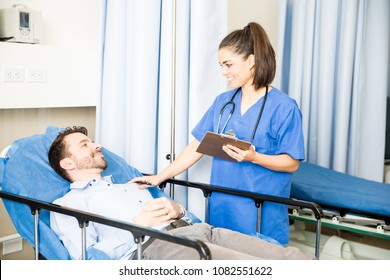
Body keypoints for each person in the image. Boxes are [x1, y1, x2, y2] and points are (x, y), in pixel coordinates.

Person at [130, 22, 304, 245]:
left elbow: (291, 163)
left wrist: (254, 157)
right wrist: (161, 176)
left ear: (251, 61)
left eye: (228, 65)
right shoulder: (224, 102)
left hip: (261, 213)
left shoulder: (284, 107)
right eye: (221, 65)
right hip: (223, 208)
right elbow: (198, 144)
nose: (224, 73)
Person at [48, 126, 312, 260]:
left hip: (202, 230)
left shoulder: (130, 184)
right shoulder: (67, 205)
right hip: (156, 247)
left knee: (290, 258)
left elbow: (182, 216)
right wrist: (136, 227)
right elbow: (87, 261)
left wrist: (180, 210)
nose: (97, 145)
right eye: (85, 144)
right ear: (68, 164)